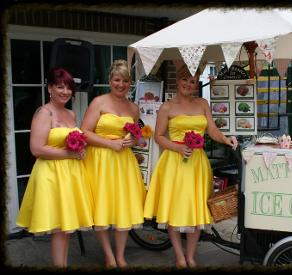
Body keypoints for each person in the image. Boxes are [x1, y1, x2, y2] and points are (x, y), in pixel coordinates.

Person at [143, 65, 238, 268]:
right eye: (185, 79)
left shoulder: (203, 103)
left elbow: (211, 129)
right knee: (175, 208)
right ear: (178, 81)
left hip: (197, 164)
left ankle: (191, 256)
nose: (188, 84)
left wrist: (225, 138)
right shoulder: (167, 107)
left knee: (197, 208)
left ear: (197, 85)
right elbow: (158, 137)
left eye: (193, 81)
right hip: (174, 163)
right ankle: (179, 257)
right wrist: (177, 148)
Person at [16, 67, 94, 267]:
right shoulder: (44, 112)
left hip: (70, 174)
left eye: (68, 88)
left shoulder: (71, 114)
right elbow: (37, 149)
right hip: (51, 174)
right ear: (50, 88)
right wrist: (70, 154)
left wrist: (80, 151)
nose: (65, 92)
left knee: (66, 227)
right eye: (59, 87)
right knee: (59, 228)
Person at [80, 59, 146, 268]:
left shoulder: (134, 108)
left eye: (125, 81)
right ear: (110, 80)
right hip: (100, 161)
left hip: (123, 163)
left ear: (130, 84)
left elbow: (135, 135)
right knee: (102, 206)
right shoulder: (98, 103)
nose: (121, 84)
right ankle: (109, 257)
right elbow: (84, 133)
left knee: (122, 207)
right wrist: (110, 143)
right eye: (117, 80)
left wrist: (134, 141)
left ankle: (120, 256)